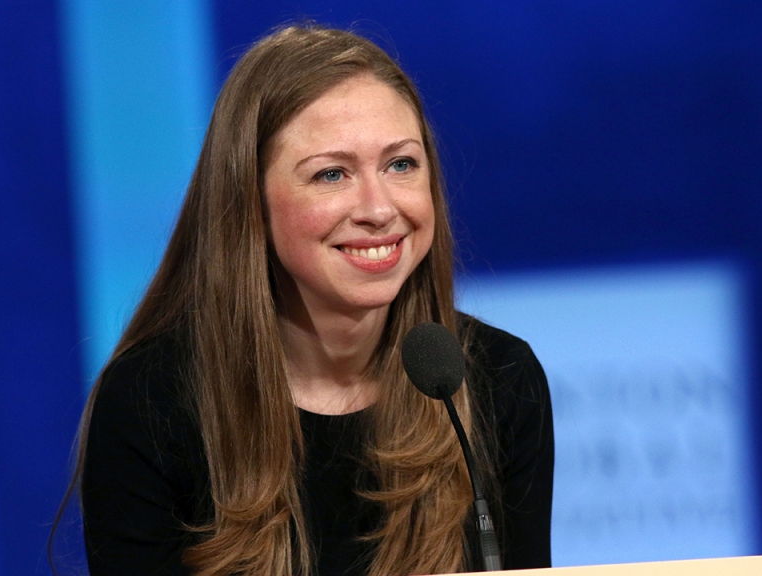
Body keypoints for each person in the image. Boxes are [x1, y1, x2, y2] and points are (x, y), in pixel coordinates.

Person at [66, 23, 554, 576]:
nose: (378, 207)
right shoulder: (150, 404)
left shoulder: (497, 380)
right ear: (250, 202)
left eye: (401, 164)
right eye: (331, 174)